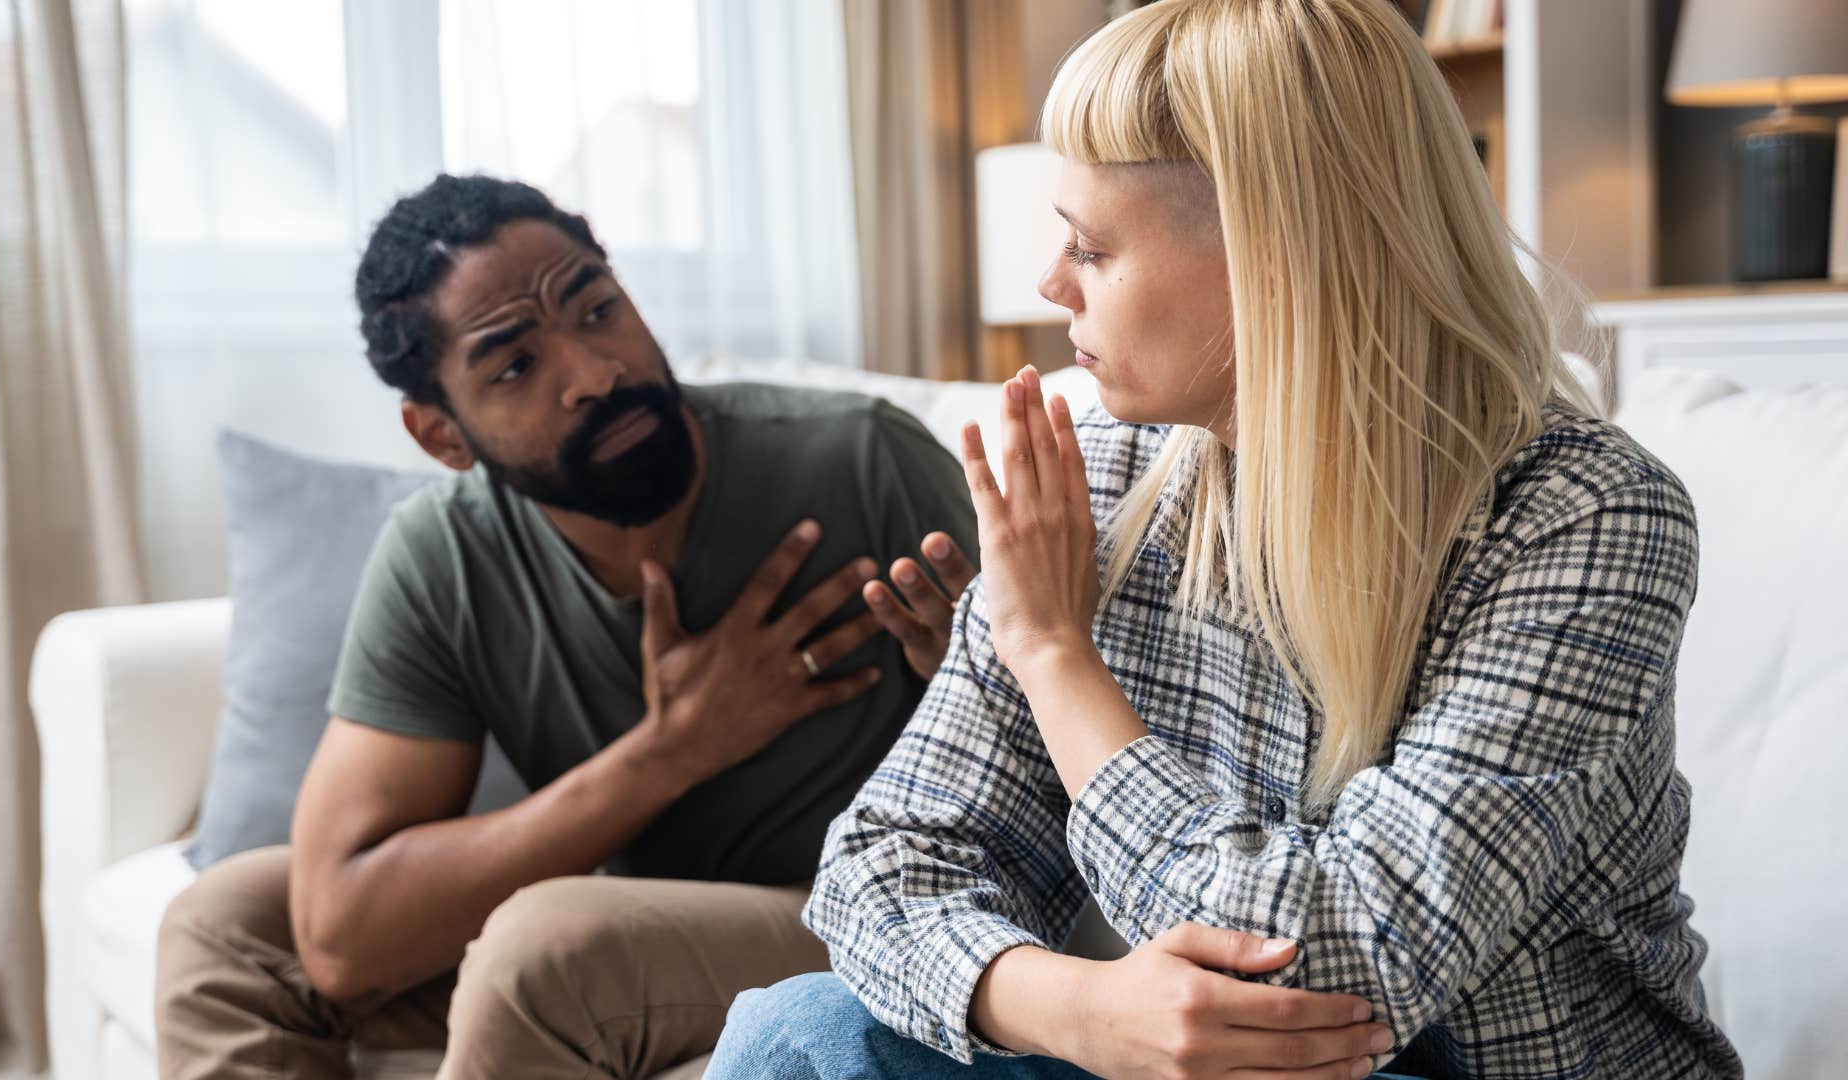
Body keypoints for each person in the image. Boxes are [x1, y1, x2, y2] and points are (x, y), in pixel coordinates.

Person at [708, 1, 1744, 1077]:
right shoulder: (1102, 476)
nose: (1051, 286)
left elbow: (1341, 968)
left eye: (1091, 248)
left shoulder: (1585, 516)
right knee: (795, 1032)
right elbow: (882, 868)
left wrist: (1056, 659)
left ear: (1277, 259)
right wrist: (1074, 1009)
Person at [153, 174, 984, 1079]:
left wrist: (979, 670)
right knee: (228, 924)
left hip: (865, 906)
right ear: (442, 437)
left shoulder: (863, 456)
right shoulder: (445, 558)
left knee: (542, 951)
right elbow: (338, 934)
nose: (595, 373)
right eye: (515, 366)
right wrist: (673, 749)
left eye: (597, 310)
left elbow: (1083, 704)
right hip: (636, 918)